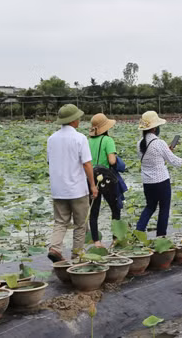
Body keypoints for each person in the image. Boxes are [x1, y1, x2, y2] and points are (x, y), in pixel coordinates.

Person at [46, 104, 98, 262]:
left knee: (60, 222)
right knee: (80, 224)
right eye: (78, 118)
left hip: (58, 189)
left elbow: (50, 162)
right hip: (77, 189)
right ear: (74, 120)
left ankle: (55, 248)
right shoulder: (80, 138)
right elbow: (87, 164)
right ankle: (77, 256)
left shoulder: (51, 139)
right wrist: (93, 185)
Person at [136, 111, 182, 237]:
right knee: (164, 209)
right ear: (154, 128)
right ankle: (161, 236)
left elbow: (153, 159)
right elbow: (174, 161)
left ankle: (138, 231)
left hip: (147, 182)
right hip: (161, 182)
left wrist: (167, 151)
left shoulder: (139, 144)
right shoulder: (159, 143)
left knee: (150, 207)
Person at [87, 113, 123, 248]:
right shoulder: (108, 140)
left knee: (94, 211)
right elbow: (112, 160)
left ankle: (96, 242)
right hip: (106, 178)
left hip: (91, 178)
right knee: (115, 208)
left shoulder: (87, 141)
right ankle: (115, 239)